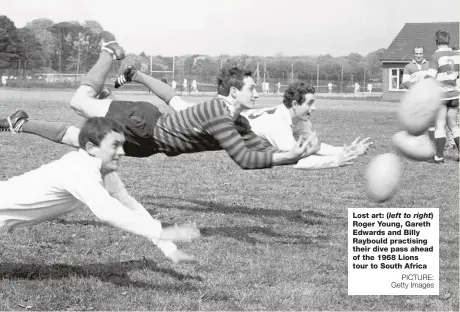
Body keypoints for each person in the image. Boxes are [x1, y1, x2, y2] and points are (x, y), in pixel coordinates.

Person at [1, 34, 319, 170]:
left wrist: (292, 155)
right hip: (143, 122)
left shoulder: (236, 121)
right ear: (233, 92)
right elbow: (244, 160)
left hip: (149, 145)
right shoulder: (217, 113)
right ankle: (109, 52)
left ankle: (20, 122)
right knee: (78, 101)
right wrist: (288, 155)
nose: (257, 94)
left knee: (79, 139)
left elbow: (259, 151)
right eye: (252, 88)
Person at [0, 117, 200, 263]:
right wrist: (163, 232)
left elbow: (130, 206)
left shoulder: (103, 171)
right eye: (115, 145)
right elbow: (108, 212)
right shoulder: (78, 169)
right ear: (91, 147)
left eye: (122, 145)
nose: (122, 152)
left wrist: (167, 247)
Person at [425, 30, 460, 163]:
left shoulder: (435, 56)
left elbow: (431, 76)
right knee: (454, 126)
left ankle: (439, 156)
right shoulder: (457, 55)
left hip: (441, 96)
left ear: (436, 41)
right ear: (448, 40)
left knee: (440, 125)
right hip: (454, 95)